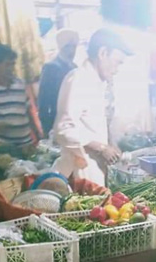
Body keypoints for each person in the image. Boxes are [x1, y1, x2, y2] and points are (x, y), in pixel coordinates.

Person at [51, 28, 132, 187]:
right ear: (102, 53)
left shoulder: (98, 83)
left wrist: (110, 144)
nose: (117, 70)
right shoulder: (78, 79)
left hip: (94, 170)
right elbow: (63, 129)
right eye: (117, 62)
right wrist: (101, 148)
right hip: (79, 170)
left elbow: (93, 125)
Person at [38, 29, 80, 136]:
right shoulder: (51, 68)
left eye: (74, 46)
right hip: (56, 123)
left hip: (74, 123)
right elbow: (43, 101)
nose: (72, 50)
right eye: (68, 46)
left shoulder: (75, 68)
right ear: (61, 47)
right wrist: (47, 129)